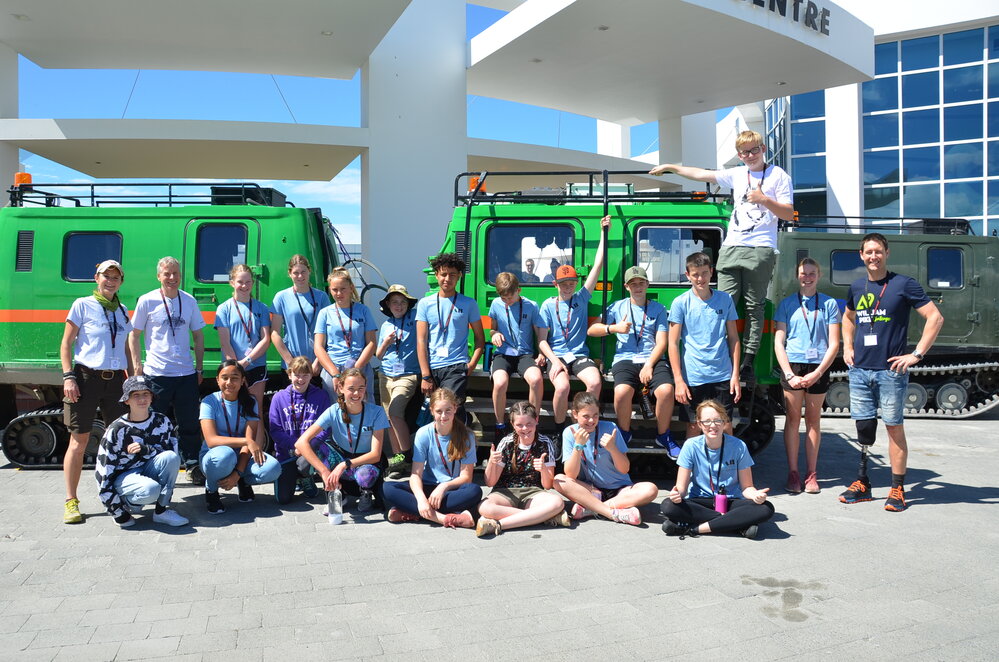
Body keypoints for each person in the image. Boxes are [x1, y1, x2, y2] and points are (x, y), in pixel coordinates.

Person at [651, 130, 794, 381]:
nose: (750, 155)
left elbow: (787, 214)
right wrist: (671, 167)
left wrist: (763, 199)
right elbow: (702, 173)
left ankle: (748, 362)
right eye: (744, 152)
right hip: (731, 247)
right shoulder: (738, 173)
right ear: (739, 155)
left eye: (754, 150)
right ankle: (721, 357)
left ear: (763, 149)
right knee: (721, 302)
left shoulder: (778, 175)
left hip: (760, 248)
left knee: (754, 306)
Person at [840, 233, 944, 512]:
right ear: (861, 255)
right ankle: (862, 483)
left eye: (878, 251)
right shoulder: (857, 286)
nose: (873, 256)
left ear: (887, 252)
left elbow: (935, 317)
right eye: (868, 252)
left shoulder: (903, 284)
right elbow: (848, 318)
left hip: (890, 372)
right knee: (863, 429)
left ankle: (897, 488)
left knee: (893, 428)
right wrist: (847, 346)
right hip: (860, 370)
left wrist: (916, 355)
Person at [60, 259, 132, 524]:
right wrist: (69, 377)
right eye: (106, 276)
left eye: (116, 277)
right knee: (79, 442)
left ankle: (118, 493)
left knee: (119, 441)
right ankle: (71, 501)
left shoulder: (123, 310)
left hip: (115, 382)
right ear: (96, 277)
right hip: (86, 378)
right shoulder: (82, 305)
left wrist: (134, 380)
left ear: (121, 282)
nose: (110, 281)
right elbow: (66, 344)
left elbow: (126, 348)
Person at [129, 256, 206, 485]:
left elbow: (199, 335)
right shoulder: (147, 301)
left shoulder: (189, 301)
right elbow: (134, 335)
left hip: (185, 374)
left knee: (190, 423)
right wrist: (136, 367)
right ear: (159, 276)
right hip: (156, 374)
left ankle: (192, 465)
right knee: (154, 423)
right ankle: (152, 464)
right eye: (167, 274)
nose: (172, 278)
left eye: (176, 273)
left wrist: (199, 368)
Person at [587, 265, 675, 450]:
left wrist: (649, 365)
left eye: (641, 283)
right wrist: (613, 328)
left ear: (647, 284)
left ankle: (663, 435)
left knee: (666, 391)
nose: (638, 287)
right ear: (627, 287)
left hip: (652, 359)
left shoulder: (658, 309)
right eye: (633, 284)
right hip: (625, 359)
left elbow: (662, 343)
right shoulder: (617, 307)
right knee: (621, 393)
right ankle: (624, 433)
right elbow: (592, 330)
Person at [773, 257, 841, 494]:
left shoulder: (830, 304)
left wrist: (818, 372)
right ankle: (793, 473)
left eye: (812, 273)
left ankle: (811, 474)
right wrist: (789, 373)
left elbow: (834, 343)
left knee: (813, 421)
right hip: (793, 366)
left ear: (819, 275)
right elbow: (779, 341)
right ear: (797, 275)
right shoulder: (786, 304)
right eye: (804, 273)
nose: (808, 277)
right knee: (792, 421)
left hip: (818, 366)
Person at [661, 400, 774, 539]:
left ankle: (693, 528)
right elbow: (681, 488)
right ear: (700, 424)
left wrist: (755, 495)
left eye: (717, 421)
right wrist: (676, 495)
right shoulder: (690, 446)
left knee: (766, 508)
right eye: (707, 421)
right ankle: (735, 523)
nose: (712, 425)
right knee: (668, 506)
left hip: (730, 500)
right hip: (700, 500)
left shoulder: (739, 446)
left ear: (725, 422)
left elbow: (747, 487)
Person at [538, 216, 610, 429]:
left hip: (579, 355)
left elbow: (598, 264)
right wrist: (555, 361)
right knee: (561, 388)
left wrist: (603, 232)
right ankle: (561, 429)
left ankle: (584, 423)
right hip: (557, 355)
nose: (568, 287)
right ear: (555, 284)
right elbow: (542, 341)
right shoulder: (547, 306)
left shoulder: (581, 297)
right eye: (563, 283)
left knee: (595, 382)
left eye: (571, 283)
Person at [667, 252, 741, 457]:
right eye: (696, 274)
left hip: (722, 375)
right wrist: (679, 381)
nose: (700, 279)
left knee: (724, 425)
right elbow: (672, 343)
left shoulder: (725, 300)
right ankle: (691, 476)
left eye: (704, 273)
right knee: (693, 427)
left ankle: (729, 472)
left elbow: (734, 339)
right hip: (693, 376)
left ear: (712, 272)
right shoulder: (680, 303)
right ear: (687, 275)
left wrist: (735, 375)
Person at [94, 376, 189, 528]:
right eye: (135, 395)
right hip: (125, 478)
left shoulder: (162, 421)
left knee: (171, 458)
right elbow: (103, 472)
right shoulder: (117, 429)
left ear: (152, 397)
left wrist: (145, 450)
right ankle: (127, 503)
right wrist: (118, 513)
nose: (142, 399)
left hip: (149, 470)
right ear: (126, 400)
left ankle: (161, 511)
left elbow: (170, 454)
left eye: (146, 394)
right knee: (150, 490)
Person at [553, 392, 658, 526]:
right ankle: (612, 512)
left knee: (651, 489)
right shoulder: (569, 432)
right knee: (558, 480)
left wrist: (612, 448)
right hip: (591, 490)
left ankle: (591, 508)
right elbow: (571, 475)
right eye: (586, 416)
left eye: (595, 415)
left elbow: (625, 469)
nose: (591, 421)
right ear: (575, 414)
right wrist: (578, 445)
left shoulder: (610, 428)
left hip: (621, 490)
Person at [382, 388, 482, 528]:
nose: (443, 416)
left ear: (455, 408)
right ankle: (443, 518)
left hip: (451, 490)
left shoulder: (467, 436)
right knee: (388, 488)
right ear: (431, 411)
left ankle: (415, 512)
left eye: (448, 410)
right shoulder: (424, 433)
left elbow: (466, 477)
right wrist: (421, 499)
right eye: (439, 411)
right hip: (428, 487)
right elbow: (416, 474)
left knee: (474, 491)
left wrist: (444, 486)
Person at [295, 368, 388, 516]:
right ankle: (339, 495)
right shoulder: (333, 410)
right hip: (341, 456)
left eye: (360, 389)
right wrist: (324, 471)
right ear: (340, 388)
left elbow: (376, 454)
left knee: (365, 476)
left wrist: (344, 465)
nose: (356, 394)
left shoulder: (377, 412)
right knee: (306, 458)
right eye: (351, 389)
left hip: (364, 462)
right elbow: (301, 443)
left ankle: (366, 493)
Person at [198, 360, 281, 514]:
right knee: (225, 455)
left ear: (243, 380)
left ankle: (242, 481)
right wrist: (247, 441)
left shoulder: (250, 402)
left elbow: (248, 446)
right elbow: (211, 440)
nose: (229, 382)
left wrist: (237, 473)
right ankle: (211, 490)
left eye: (235, 378)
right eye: (225, 377)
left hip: (241, 456)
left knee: (273, 468)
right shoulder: (209, 402)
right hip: (215, 456)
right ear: (217, 380)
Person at [476, 401, 569, 538]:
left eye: (529, 424)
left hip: (533, 492)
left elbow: (547, 485)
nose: (525, 429)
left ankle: (498, 524)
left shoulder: (544, 443)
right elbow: (490, 482)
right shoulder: (506, 443)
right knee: (484, 506)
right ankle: (543, 517)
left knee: (557, 502)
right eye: (519, 425)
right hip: (505, 492)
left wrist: (543, 470)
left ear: (536, 420)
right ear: (512, 424)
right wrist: (491, 463)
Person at [415, 252, 485, 423]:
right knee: (436, 413)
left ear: (459, 276)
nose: (447, 278)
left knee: (448, 408)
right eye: (444, 274)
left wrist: (471, 364)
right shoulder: (425, 303)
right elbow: (421, 341)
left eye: (452, 275)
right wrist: (425, 376)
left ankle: (458, 445)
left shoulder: (469, 303)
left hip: (456, 367)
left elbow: (480, 339)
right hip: (432, 368)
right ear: (437, 275)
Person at [488, 272, 547, 441]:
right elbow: (492, 328)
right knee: (500, 382)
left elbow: (540, 332)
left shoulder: (531, 305)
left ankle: (532, 424)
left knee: (536, 379)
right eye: (504, 298)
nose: (507, 301)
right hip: (503, 354)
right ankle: (500, 425)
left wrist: (542, 353)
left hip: (524, 354)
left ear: (519, 290)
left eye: (511, 297)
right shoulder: (495, 304)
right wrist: (495, 334)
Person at [269, 356, 331, 505]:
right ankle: (295, 477)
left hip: (311, 450)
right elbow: (275, 430)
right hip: (287, 453)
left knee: (304, 464)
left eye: (305, 375)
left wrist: (307, 446)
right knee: (283, 499)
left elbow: (326, 428)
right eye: (297, 375)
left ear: (311, 375)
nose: (301, 379)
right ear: (289, 374)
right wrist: (296, 445)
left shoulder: (321, 396)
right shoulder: (278, 398)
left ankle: (306, 477)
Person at [215, 264, 271, 426]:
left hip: (256, 366)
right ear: (232, 282)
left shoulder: (262, 308)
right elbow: (225, 343)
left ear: (253, 283)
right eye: (240, 282)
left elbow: (266, 339)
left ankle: (257, 451)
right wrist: (236, 368)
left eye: (248, 282)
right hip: (232, 369)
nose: (244, 286)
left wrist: (245, 362)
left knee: (256, 412)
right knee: (232, 413)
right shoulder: (224, 309)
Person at [375, 284, 420, 476]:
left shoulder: (415, 319)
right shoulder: (386, 325)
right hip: (386, 375)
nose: (399, 306)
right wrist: (385, 342)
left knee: (395, 411)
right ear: (388, 305)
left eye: (403, 302)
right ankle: (399, 461)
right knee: (389, 419)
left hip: (408, 375)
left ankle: (407, 455)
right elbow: (378, 355)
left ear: (408, 304)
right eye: (394, 302)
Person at [315, 267, 377, 402]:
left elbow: (371, 343)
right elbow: (318, 347)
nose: (339, 293)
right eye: (334, 290)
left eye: (343, 289)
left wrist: (356, 369)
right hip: (333, 369)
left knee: (364, 408)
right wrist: (335, 374)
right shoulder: (324, 313)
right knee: (336, 410)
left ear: (351, 287)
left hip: (359, 367)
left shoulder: (363, 310)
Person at [270, 254, 332, 373]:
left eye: (303, 272)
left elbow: (328, 332)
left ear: (309, 271)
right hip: (293, 366)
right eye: (296, 273)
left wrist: (318, 362)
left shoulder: (321, 297)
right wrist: (291, 363)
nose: (300, 276)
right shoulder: (281, 297)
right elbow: (274, 333)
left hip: (317, 365)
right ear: (290, 274)